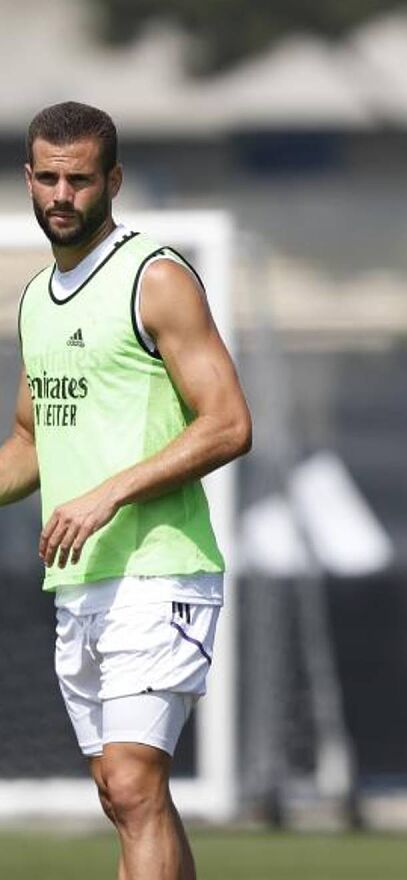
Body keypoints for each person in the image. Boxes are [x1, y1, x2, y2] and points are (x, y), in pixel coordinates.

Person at [0, 102, 251, 880]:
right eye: (48, 177)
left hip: (162, 568)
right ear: (29, 179)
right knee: (123, 793)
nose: (62, 194)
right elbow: (29, 442)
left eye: (79, 178)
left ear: (113, 180)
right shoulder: (38, 298)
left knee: (136, 784)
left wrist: (107, 494)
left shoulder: (157, 277)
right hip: (79, 580)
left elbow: (228, 424)